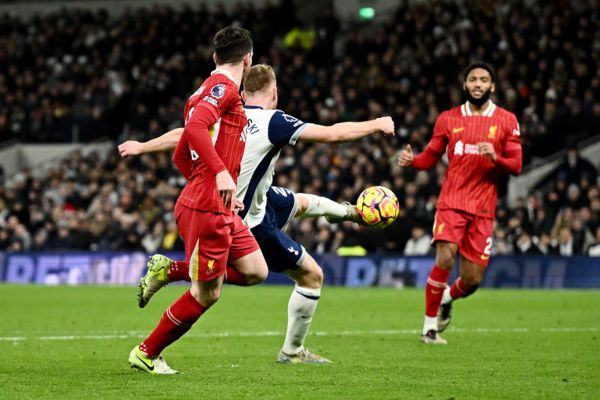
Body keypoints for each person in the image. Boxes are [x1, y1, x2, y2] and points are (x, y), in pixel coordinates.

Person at [119, 63, 395, 363]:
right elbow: (332, 135)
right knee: (310, 276)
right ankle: (291, 352)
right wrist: (376, 123)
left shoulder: (228, 112)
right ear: (274, 92)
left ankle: (348, 213)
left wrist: (143, 146)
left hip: (254, 201)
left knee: (300, 202)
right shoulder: (272, 121)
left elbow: (185, 133)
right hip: (247, 219)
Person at [127, 26, 269, 374]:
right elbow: (193, 131)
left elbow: (181, 153)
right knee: (207, 293)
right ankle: (146, 353)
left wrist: (208, 183)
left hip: (214, 203)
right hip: (208, 207)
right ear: (248, 60)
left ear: (215, 56)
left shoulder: (203, 92)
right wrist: (218, 176)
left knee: (255, 270)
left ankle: (169, 270)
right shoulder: (222, 90)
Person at [398, 62, 522, 345]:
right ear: (465, 85)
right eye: (473, 79)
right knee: (445, 257)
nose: (478, 84)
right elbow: (430, 156)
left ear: (492, 86)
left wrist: (496, 158)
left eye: (484, 80)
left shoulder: (507, 120)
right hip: (452, 201)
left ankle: (445, 297)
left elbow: (516, 165)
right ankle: (429, 329)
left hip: (483, 209)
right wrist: (412, 161)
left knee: (472, 279)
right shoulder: (448, 119)